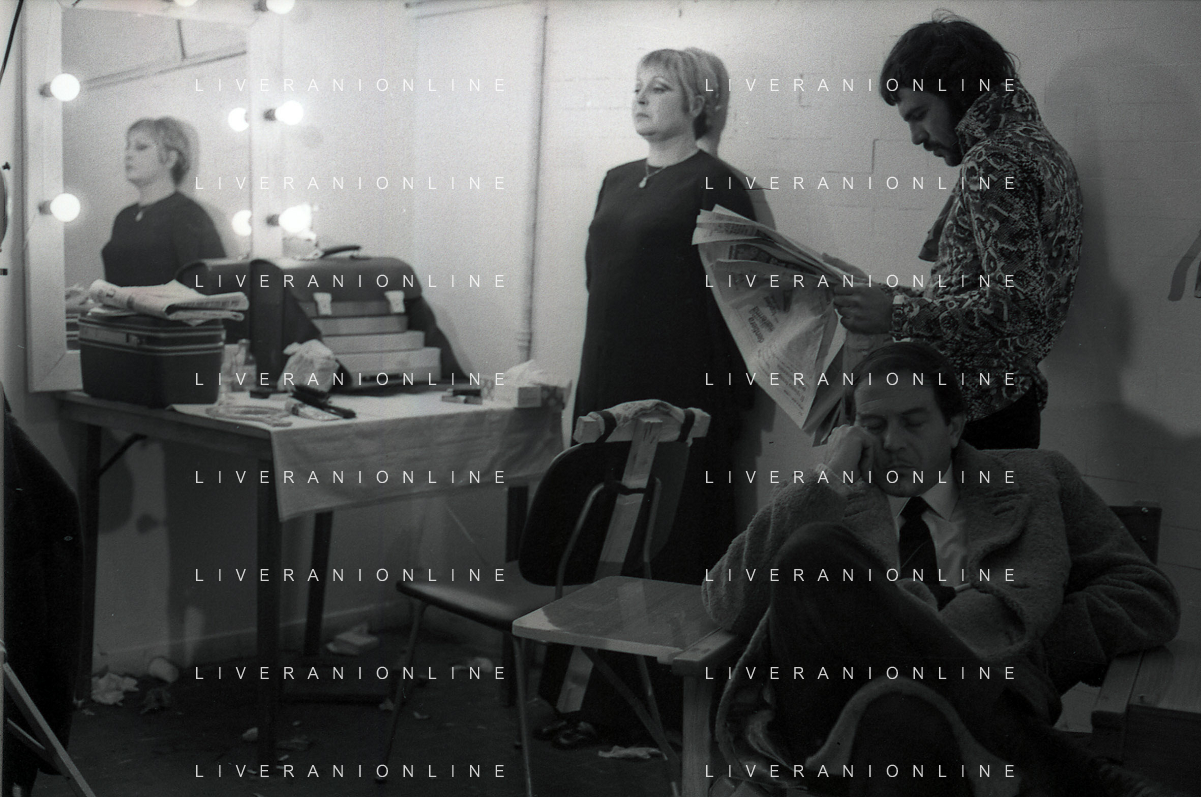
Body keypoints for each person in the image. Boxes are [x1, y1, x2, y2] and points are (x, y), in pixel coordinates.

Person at [702, 342, 1182, 797]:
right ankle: (1064, 767)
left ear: (954, 427)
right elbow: (726, 602)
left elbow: (1145, 594)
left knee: (900, 717)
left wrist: (1033, 644)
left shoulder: (1038, 481)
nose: (892, 442)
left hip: (934, 738)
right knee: (814, 550)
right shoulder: (825, 497)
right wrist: (829, 480)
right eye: (873, 425)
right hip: (831, 721)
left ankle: (1039, 755)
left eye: (913, 422)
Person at [542, 46, 757, 748]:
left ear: (698, 102)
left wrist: (726, 403)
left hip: (676, 385)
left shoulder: (716, 182)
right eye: (636, 86)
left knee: (662, 538)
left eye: (659, 87)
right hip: (607, 374)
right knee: (596, 529)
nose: (640, 98)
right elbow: (599, 280)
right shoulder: (615, 178)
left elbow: (737, 299)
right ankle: (581, 698)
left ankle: (656, 709)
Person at [831, 16, 1083, 450]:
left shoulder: (995, 160)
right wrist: (887, 298)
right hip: (1005, 400)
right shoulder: (1040, 147)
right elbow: (991, 293)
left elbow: (1018, 307)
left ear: (958, 92)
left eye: (920, 114)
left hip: (979, 413)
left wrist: (895, 315)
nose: (916, 137)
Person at [101, 117, 226, 286]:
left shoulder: (189, 214)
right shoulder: (124, 218)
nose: (128, 154)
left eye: (141, 147)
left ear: (170, 158)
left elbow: (211, 286)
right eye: (127, 147)